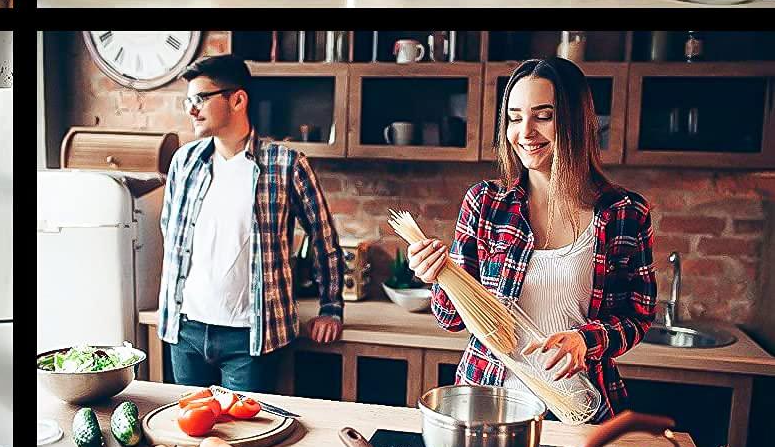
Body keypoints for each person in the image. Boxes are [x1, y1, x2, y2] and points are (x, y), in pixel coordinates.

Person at [407, 57, 656, 421]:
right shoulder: (486, 203)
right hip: (487, 405)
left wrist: (585, 341)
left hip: (578, 409)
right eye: (514, 117)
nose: (525, 132)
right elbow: (450, 318)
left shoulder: (625, 212)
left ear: (575, 121)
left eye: (543, 116)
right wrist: (437, 275)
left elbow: (638, 315)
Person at [157, 55, 345, 393]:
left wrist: (330, 308)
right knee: (189, 436)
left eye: (200, 99)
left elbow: (323, 238)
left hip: (251, 336)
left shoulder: (286, 163)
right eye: (189, 100)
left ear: (238, 100)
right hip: (185, 331)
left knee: (243, 439)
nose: (191, 109)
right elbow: (169, 230)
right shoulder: (184, 162)